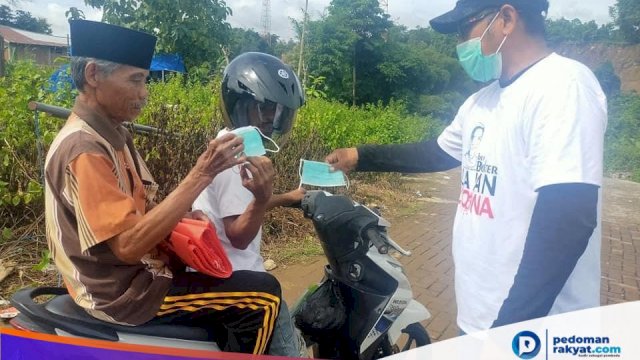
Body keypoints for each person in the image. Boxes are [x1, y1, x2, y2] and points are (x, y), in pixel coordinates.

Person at [325, 0, 607, 335]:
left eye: (465, 29)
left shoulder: (562, 86)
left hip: (536, 329)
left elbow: (569, 218)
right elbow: (437, 153)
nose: (460, 44)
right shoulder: (481, 102)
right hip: (480, 320)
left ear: (506, 18)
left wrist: (509, 331)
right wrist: (360, 156)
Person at [44, 20, 282, 354]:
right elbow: (127, 245)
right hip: (122, 294)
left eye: (145, 80)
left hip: (141, 274)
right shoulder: (84, 148)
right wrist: (202, 173)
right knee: (263, 295)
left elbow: (143, 205)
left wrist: (188, 217)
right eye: (136, 80)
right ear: (94, 75)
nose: (144, 93)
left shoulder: (114, 134)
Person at [192, 52, 306, 357]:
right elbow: (239, 236)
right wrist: (262, 198)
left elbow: (238, 209)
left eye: (278, 110)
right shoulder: (235, 159)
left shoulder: (226, 145)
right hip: (242, 278)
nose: (272, 117)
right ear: (240, 106)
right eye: (264, 108)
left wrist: (286, 198)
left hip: (225, 270)